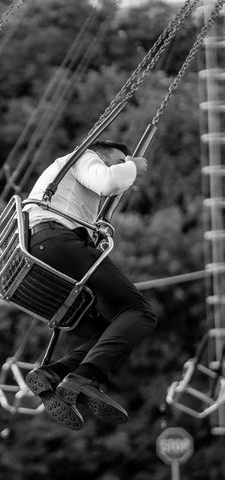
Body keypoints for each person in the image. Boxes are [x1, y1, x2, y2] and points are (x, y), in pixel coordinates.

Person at [22, 140, 157, 430]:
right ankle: (84, 378)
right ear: (103, 154)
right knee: (139, 312)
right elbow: (108, 182)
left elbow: (108, 189)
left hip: (44, 247)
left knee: (110, 326)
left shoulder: (66, 184)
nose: (120, 165)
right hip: (58, 241)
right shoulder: (84, 157)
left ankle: (54, 373)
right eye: (117, 159)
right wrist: (132, 166)